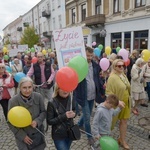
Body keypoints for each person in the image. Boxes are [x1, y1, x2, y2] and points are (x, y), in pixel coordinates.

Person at [73, 46, 105, 146]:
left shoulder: (95, 65)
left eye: (91, 55)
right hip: (83, 96)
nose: (90, 57)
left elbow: (97, 79)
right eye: (88, 55)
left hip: (93, 95)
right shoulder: (79, 66)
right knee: (87, 117)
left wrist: (102, 87)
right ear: (84, 54)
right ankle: (89, 137)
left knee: (88, 113)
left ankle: (79, 124)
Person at [8, 77, 46, 150]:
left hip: (38, 135)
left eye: (29, 87)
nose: (27, 90)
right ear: (20, 88)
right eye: (24, 88)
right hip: (24, 138)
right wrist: (22, 136)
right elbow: (10, 122)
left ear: (33, 87)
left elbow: (43, 112)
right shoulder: (13, 101)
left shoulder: (38, 97)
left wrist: (37, 121)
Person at [106, 59, 131, 150]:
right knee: (111, 122)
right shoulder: (112, 77)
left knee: (124, 121)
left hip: (126, 102)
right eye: (119, 66)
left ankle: (122, 140)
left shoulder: (123, 75)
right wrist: (117, 102)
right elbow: (108, 92)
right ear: (114, 67)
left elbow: (127, 88)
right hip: (117, 103)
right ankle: (106, 139)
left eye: (122, 65)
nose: (121, 67)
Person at [47, 84, 76, 150]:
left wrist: (74, 114)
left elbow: (74, 109)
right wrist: (64, 116)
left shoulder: (71, 98)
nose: (65, 91)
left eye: (67, 88)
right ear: (57, 89)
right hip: (59, 135)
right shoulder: (51, 103)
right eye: (62, 88)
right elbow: (49, 121)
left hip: (70, 132)